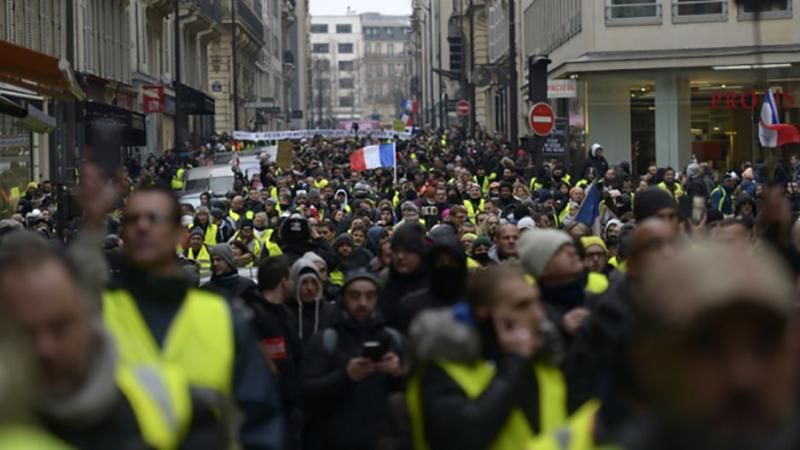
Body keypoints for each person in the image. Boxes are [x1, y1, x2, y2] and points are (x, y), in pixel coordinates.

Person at [99, 183, 285, 449]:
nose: (142, 227)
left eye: (155, 219)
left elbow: (260, 419)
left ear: (180, 235)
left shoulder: (222, 315)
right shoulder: (95, 316)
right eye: (132, 219)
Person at [0, 231, 200, 450]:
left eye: (59, 327)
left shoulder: (172, 401)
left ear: (89, 317)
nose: (44, 348)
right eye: (23, 332)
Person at [407, 265, 568, 450]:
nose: (539, 316)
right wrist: (514, 363)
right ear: (483, 312)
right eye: (521, 305)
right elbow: (461, 438)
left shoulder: (545, 364)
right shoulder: (440, 372)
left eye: (537, 302)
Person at [302, 269, 405, 450]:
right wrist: (345, 376)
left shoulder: (393, 340)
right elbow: (306, 393)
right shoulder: (326, 341)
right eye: (355, 296)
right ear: (344, 298)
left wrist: (399, 372)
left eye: (370, 296)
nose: (362, 303)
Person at [257, 257, 304, 450]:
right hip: (268, 411)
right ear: (284, 282)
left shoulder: (286, 313)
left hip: (289, 408)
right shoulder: (259, 317)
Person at [395, 233, 468, 333]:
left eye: (453, 262)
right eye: (440, 262)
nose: (446, 268)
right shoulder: (410, 307)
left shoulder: (478, 305)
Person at [380, 223, 430, 328]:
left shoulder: (434, 287)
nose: (400, 256)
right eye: (396, 250)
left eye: (408, 251)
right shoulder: (383, 284)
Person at [285, 255, 337, 344]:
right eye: (304, 282)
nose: (310, 288)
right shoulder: (285, 313)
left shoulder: (330, 312)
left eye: (313, 282)